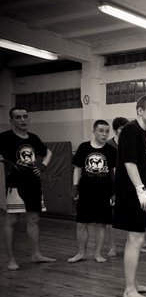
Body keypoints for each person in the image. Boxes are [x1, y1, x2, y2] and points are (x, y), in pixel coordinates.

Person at [113, 96, 146, 297]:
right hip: (129, 192)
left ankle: (133, 283)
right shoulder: (131, 129)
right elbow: (129, 163)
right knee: (135, 239)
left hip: (137, 190)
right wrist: (140, 190)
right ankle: (129, 290)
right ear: (140, 111)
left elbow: (142, 166)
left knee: (138, 239)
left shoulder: (142, 133)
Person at [0, 106, 56, 270]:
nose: (23, 120)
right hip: (15, 184)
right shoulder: (5, 137)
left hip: (33, 183)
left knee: (34, 219)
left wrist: (43, 166)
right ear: (11, 121)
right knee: (12, 220)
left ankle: (36, 254)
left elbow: (48, 152)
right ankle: (11, 260)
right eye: (18, 117)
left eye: (25, 116)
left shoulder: (33, 138)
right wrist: (5, 161)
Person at [68, 119, 116, 264]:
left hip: (104, 192)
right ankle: (81, 253)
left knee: (101, 224)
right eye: (101, 131)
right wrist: (75, 186)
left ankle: (98, 254)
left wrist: (115, 192)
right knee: (81, 223)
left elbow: (115, 173)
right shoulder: (84, 147)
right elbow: (77, 169)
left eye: (107, 131)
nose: (104, 134)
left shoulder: (112, 151)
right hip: (85, 191)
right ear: (94, 131)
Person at [105, 116, 130, 257]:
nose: (124, 131)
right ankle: (112, 247)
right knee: (111, 218)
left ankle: (132, 245)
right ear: (115, 130)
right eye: (121, 129)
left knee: (132, 216)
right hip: (113, 185)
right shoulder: (109, 145)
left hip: (129, 184)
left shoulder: (130, 143)